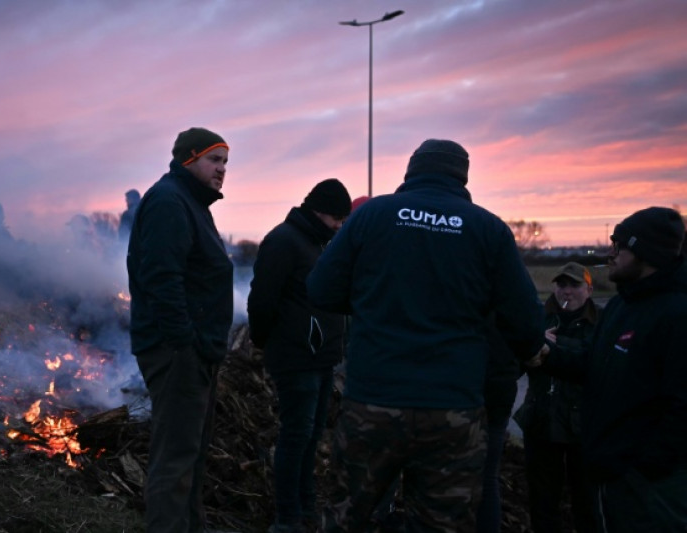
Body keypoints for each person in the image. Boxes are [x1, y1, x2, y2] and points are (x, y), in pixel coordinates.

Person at [306, 139, 546, 531]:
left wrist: (375, 302)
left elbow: (320, 289)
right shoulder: (487, 228)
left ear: (411, 170)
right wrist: (530, 352)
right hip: (451, 411)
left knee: (348, 515)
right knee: (442, 523)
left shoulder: (373, 216)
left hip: (373, 401)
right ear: (463, 176)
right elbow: (525, 321)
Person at [535, 207, 687, 531]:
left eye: (618, 244)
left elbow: (682, 407)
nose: (610, 253)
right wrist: (546, 355)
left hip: (650, 488)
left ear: (644, 253)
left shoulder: (677, 314)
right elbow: (595, 364)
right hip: (611, 475)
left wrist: (645, 468)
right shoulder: (621, 305)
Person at [126, 127, 234, 533]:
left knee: (191, 453)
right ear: (189, 158)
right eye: (214, 160)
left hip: (195, 350)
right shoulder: (170, 202)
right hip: (176, 351)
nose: (222, 170)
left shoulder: (192, 202)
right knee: (175, 457)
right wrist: (183, 343)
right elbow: (162, 278)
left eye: (225, 162)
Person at [247, 178, 352, 533]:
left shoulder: (320, 243)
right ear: (318, 210)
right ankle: (287, 518)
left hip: (321, 359)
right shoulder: (283, 241)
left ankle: (306, 510)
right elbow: (261, 301)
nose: (340, 225)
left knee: (311, 437)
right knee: (296, 436)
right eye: (337, 217)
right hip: (296, 359)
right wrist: (268, 343)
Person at [515, 261, 599, 533]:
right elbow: (513, 363)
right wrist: (532, 343)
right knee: (542, 502)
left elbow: (594, 365)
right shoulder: (537, 318)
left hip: (583, 427)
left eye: (574, 285)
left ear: (589, 288)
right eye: (561, 285)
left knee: (587, 502)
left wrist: (552, 349)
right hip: (541, 422)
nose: (567, 291)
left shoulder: (601, 322)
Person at [476, 321, 521, 533]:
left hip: (465, 392)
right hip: (497, 391)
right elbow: (529, 339)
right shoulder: (508, 291)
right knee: (487, 477)